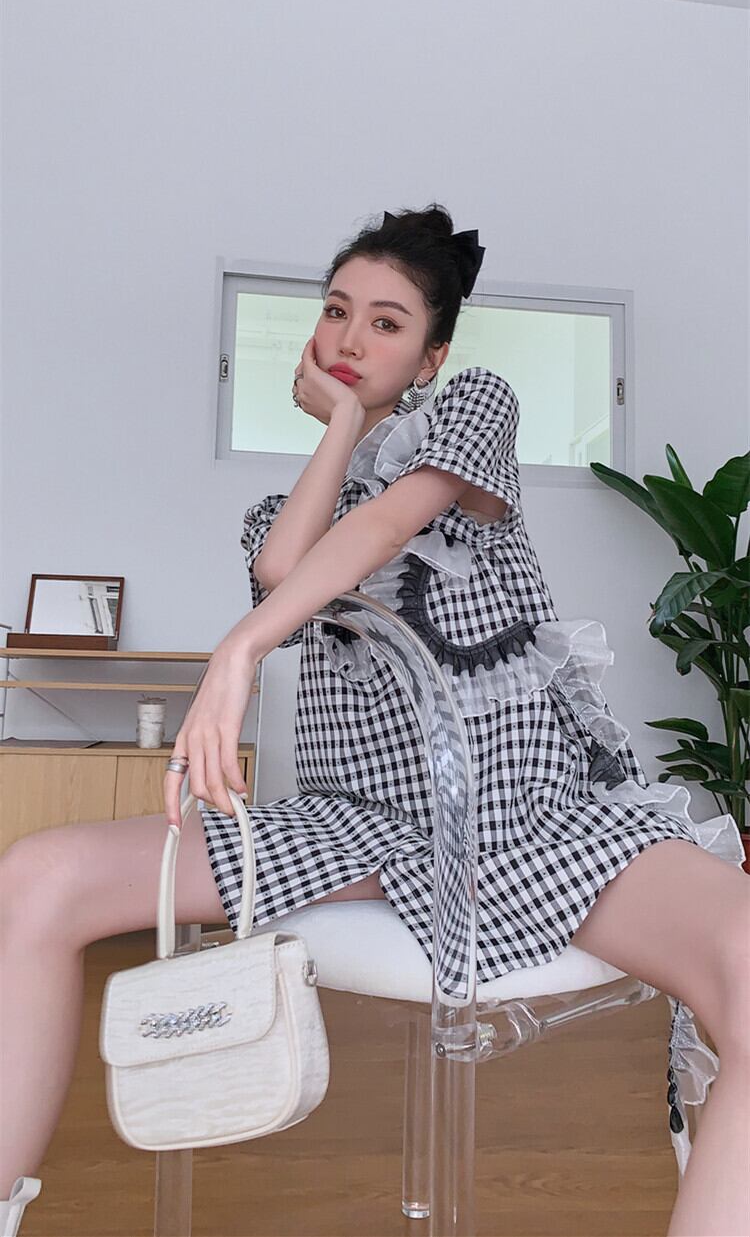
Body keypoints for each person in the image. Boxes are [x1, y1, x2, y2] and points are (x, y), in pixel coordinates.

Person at [0, 205, 747, 1237]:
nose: (351, 337)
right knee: (36, 877)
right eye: (336, 310)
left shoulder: (476, 408)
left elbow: (392, 520)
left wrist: (237, 652)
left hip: (532, 818)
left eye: (387, 323)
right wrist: (343, 424)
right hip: (356, 823)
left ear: (433, 355)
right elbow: (285, 567)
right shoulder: (285, 510)